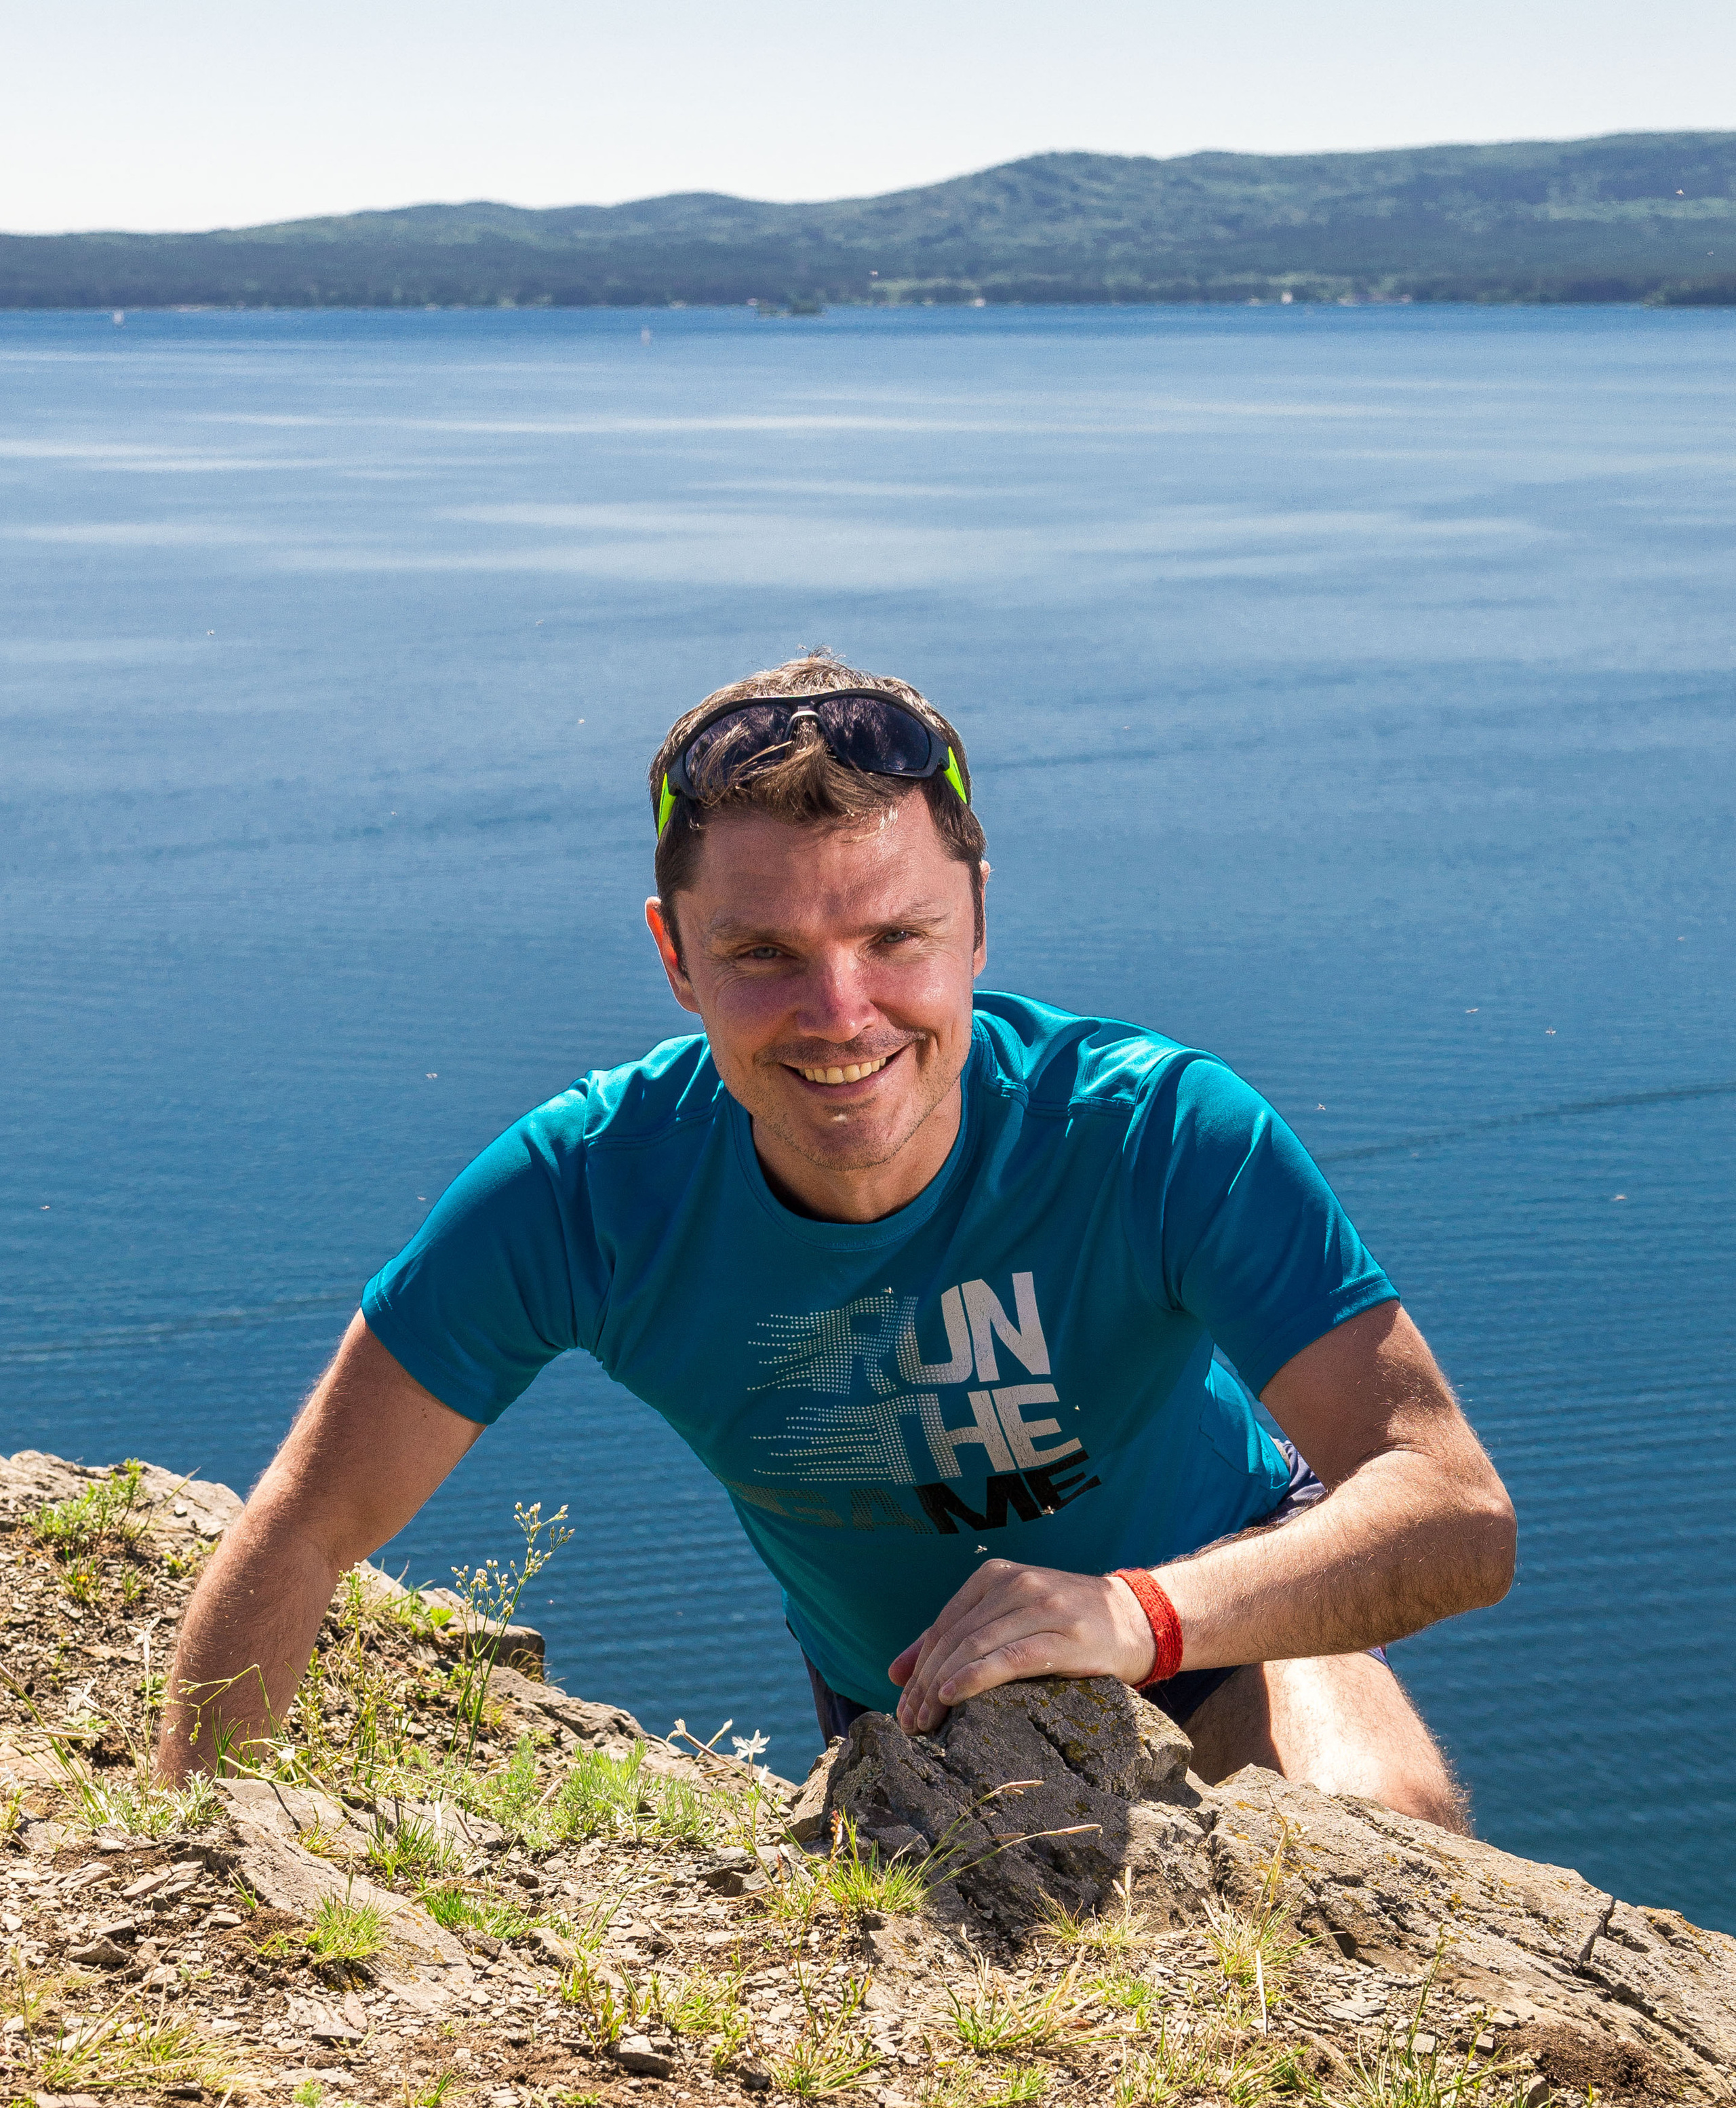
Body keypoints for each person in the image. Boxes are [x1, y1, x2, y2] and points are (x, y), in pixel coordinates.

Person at [156, 653, 1514, 1829]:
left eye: (894, 937)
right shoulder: (586, 1193)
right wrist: (207, 1865)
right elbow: (305, 1523)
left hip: (1216, 1600)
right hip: (909, 1700)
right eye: (760, 955)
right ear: (673, 958)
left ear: (976, 919)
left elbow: (1450, 1511)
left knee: (1377, 1821)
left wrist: (1140, 1617)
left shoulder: (1152, 1134)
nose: (838, 1011)